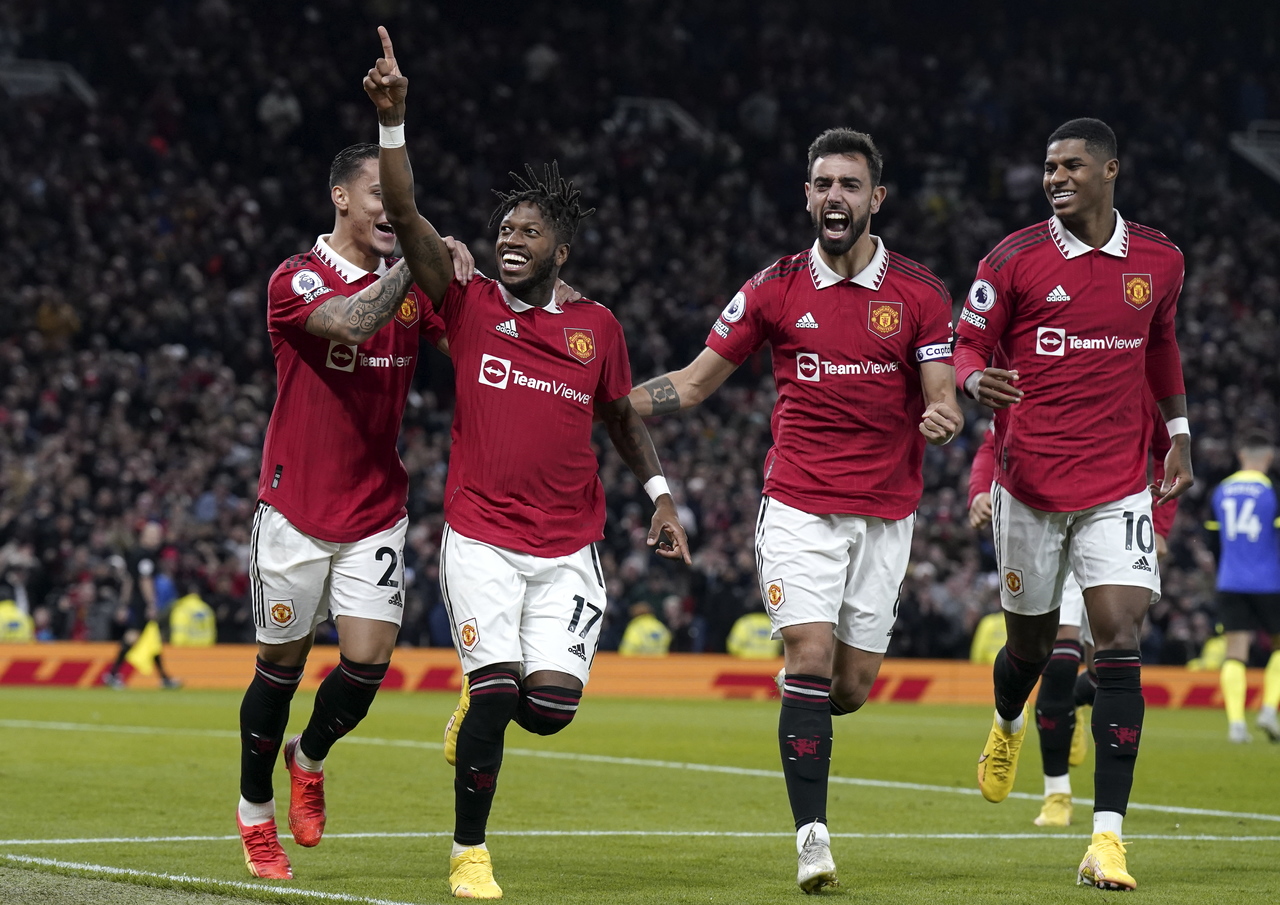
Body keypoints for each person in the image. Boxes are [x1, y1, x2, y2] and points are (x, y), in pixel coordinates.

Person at [364, 28, 691, 899]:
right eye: (505, 227)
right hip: (480, 535)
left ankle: (481, 704)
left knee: (547, 709)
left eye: (529, 231)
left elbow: (620, 417)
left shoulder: (597, 328)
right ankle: (469, 852)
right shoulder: (468, 303)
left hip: (569, 544)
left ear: (560, 252)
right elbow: (406, 216)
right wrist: (394, 121)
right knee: (499, 690)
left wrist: (661, 496)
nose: (510, 237)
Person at [630, 127, 961, 893]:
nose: (835, 196)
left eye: (850, 184)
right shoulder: (773, 288)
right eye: (823, 184)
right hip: (799, 504)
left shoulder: (920, 292)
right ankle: (813, 839)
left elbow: (940, 389)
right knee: (808, 657)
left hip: (886, 513)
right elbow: (695, 381)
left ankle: (805, 716)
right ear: (807, 196)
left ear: (876, 198)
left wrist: (943, 413)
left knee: (849, 687)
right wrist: (605, 401)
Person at [953, 118, 1192, 891]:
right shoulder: (1013, 259)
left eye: (1071, 166)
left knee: (1119, 641)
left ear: (1110, 170)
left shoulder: (1159, 259)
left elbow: (1162, 345)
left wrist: (1179, 434)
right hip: (1028, 488)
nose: (1054, 177)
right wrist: (972, 379)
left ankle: (1107, 840)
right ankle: (1007, 722)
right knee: (1029, 652)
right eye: (1049, 166)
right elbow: (965, 343)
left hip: (1117, 485)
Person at [234, 138, 475, 880]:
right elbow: (351, 321)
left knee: (367, 664)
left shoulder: (413, 285)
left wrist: (484, 286)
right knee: (280, 666)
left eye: (401, 198)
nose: (394, 209)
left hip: (375, 507)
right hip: (295, 509)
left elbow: (475, 343)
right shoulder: (295, 278)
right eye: (382, 196)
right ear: (341, 197)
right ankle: (255, 815)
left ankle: (307, 758)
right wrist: (420, 256)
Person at [967, 396, 1178, 828]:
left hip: (1110, 518)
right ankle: (1056, 794)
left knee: (1110, 666)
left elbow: (1167, 447)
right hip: (1045, 513)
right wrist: (978, 491)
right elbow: (993, 439)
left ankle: (1072, 706)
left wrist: (1160, 526)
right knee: (1056, 662)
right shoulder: (1041, 372)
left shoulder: (1140, 374)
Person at [1205, 432, 1280, 743]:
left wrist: (1228, 565)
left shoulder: (1221, 490)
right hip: (1270, 582)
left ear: (1241, 455)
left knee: (1235, 652)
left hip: (1230, 580)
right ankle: (1268, 710)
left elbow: (1212, 540)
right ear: (1269, 457)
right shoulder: (1272, 490)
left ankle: (1236, 725)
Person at [102, 521, 181, 689]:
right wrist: (151, 604)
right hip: (142, 603)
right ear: (145, 536)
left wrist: (124, 604)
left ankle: (164, 678)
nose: (157, 539)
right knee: (134, 636)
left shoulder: (134, 553)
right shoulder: (146, 556)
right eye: (154, 535)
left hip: (135, 601)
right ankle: (113, 673)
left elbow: (129, 580)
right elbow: (145, 580)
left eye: (158, 535)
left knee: (153, 639)